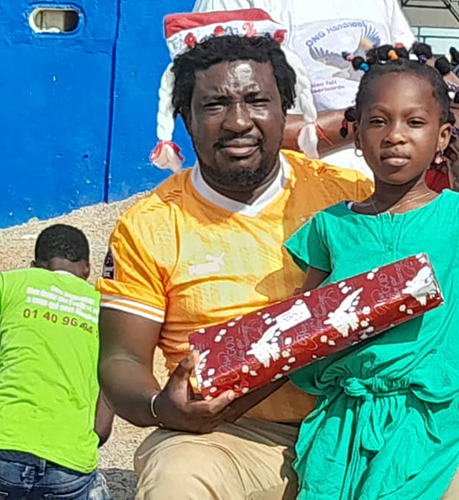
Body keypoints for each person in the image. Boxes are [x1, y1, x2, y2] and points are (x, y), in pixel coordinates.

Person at [96, 23, 373, 500]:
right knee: (177, 479)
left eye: (257, 101)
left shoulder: (351, 198)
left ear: (285, 111)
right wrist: (163, 408)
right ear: (185, 118)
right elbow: (122, 358)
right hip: (229, 437)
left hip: (361, 425)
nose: (238, 121)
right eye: (215, 105)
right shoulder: (148, 227)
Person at [283, 46, 459, 500]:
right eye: (378, 121)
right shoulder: (331, 227)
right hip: (341, 422)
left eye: (414, 122)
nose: (395, 136)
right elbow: (305, 322)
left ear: (443, 136)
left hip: (427, 420)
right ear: (356, 135)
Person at [190, 0, 417, 177]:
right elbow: (231, 124)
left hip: (385, 196)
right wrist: (367, 121)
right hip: (290, 199)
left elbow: (415, 81)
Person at [0, 224, 113, 500]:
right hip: (68, 468)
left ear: (35, 266)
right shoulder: (106, 308)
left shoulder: (4, 284)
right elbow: (101, 426)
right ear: (87, 269)